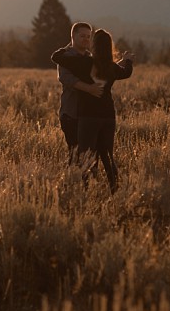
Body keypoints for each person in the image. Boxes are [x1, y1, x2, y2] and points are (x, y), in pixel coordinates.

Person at [52, 28, 134, 192]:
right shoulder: (111, 68)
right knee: (107, 155)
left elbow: (57, 58)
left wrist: (67, 46)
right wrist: (127, 61)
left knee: (86, 156)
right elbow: (125, 73)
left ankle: (87, 190)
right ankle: (115, 189)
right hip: (108, 116)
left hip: (88, 117)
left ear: (93, 45)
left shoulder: (85, 63)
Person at [55, 22, 104, 165]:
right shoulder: (65, 56)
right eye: (82, 36)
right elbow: (65, 78)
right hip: (71, 114)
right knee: (75, 154)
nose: (86, 40)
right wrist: (90, 89)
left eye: (88, 37)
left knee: (91, 155)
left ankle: (88, 185)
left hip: (89, 115)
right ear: (73, 36)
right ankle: (72, 183)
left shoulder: (90, 58)